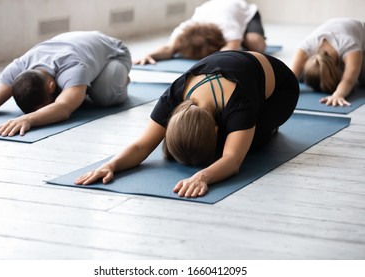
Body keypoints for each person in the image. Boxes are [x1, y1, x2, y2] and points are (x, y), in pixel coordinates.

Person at [75, 50, 299, 198]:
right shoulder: (173, 96)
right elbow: (142, 146)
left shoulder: (240, 103)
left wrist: (203, 176)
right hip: (229, 74)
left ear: (215, 129)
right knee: (226, 141)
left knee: (242, 147)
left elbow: (232, 161)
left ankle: (264, 128)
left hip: (281, 91)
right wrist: (110, 165)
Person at [0, 31, 132, 136]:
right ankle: (79, 89)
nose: (48, 108)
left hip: (114, 52)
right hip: (79, 45)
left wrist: (28, 119)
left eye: (47, 105)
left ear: (51, 86)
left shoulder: (73, 67)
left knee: (102, 95)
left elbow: (63, 109)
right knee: (78, 95)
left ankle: (121, 80)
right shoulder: (17, 67)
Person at [135, 0, 266, 65]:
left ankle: (242, 33)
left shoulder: (227, 25)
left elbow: (230, 49)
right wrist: (148, 54)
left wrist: (215, 63)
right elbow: (169, 48)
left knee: (255, 45)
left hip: (245, 11)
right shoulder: (183, 29)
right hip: (215, 8)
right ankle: (239, 34)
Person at [291, 18, 365, 107]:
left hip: (360, 37)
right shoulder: (305, 47)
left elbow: (348, 80)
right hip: (336, 27)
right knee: (298, 76)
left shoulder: (350, 46)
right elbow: (290, 76)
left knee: (359, 77)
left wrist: (338, 95)